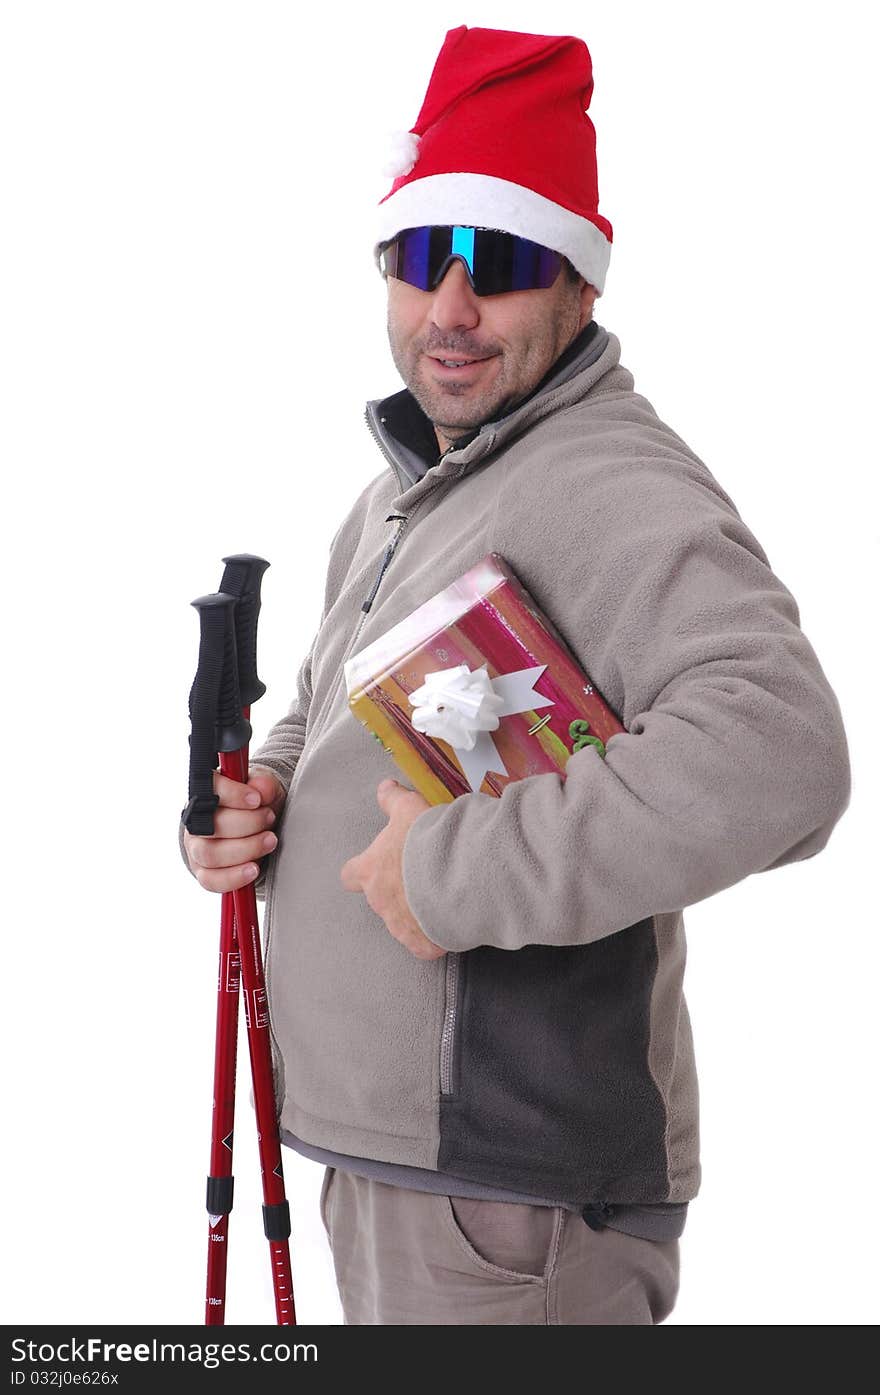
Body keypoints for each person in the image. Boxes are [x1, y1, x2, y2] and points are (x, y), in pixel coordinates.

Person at [182, 26, 851, 1325]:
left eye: (502, 265)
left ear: (582, 288)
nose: (452, 309)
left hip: (507, 1200)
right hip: (407, 1170)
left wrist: (451, 875)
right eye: (427, 258)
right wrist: (258, 798)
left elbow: (781, 749)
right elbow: (329, 707)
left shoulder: (604, 480)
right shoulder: (406, 491)